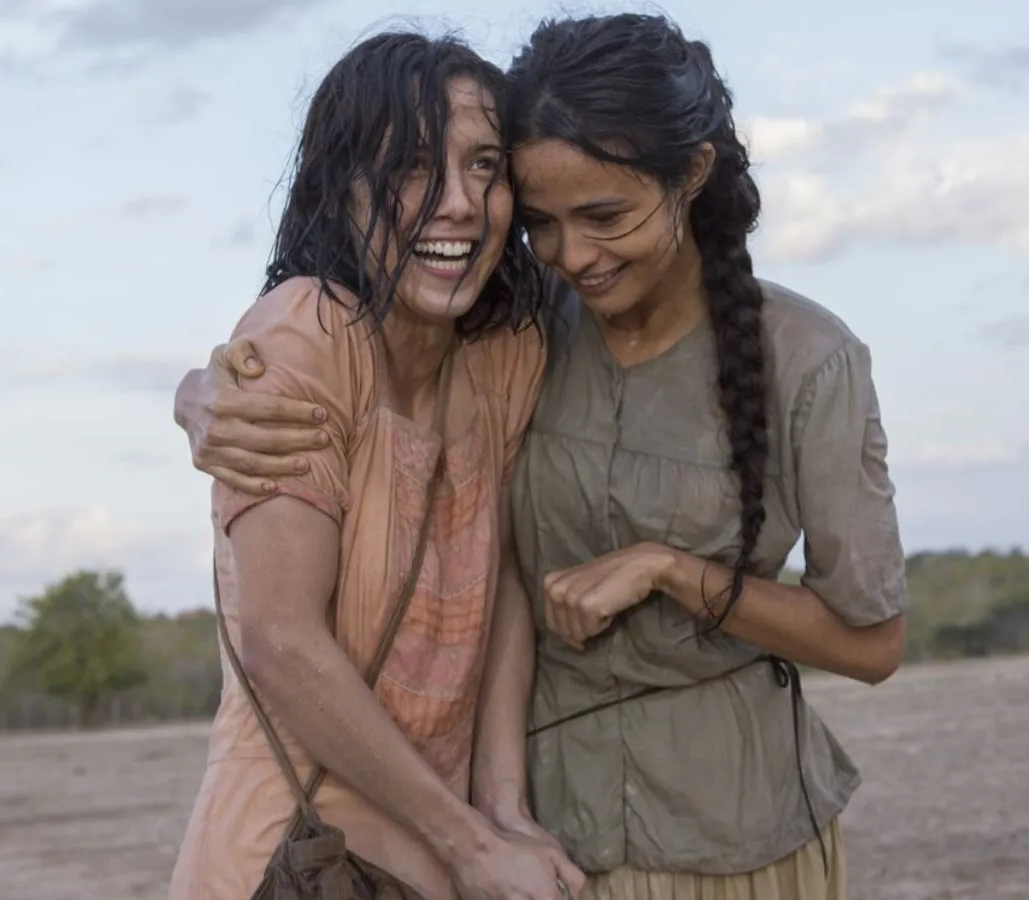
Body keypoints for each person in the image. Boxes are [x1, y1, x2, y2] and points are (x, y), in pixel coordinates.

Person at [175, 14, 909, 900]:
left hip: (620, 839)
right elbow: (290, 628)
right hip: (408, 853)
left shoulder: (782, 358)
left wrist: (666, 574)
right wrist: (206, 396)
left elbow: (870, 643)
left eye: (484, 168)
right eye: (543, 223)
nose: (572, 255)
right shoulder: (410, 332)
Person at [168, 30, 586, 900]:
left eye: (484, 166)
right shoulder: (307, 332)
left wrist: (502, 811)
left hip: (435, 855)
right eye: (412, 167)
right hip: (292, 857)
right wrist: (472, 843)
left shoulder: (504, 354)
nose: (461, 203)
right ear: (340, 188)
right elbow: (281, 641)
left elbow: (503, 580)